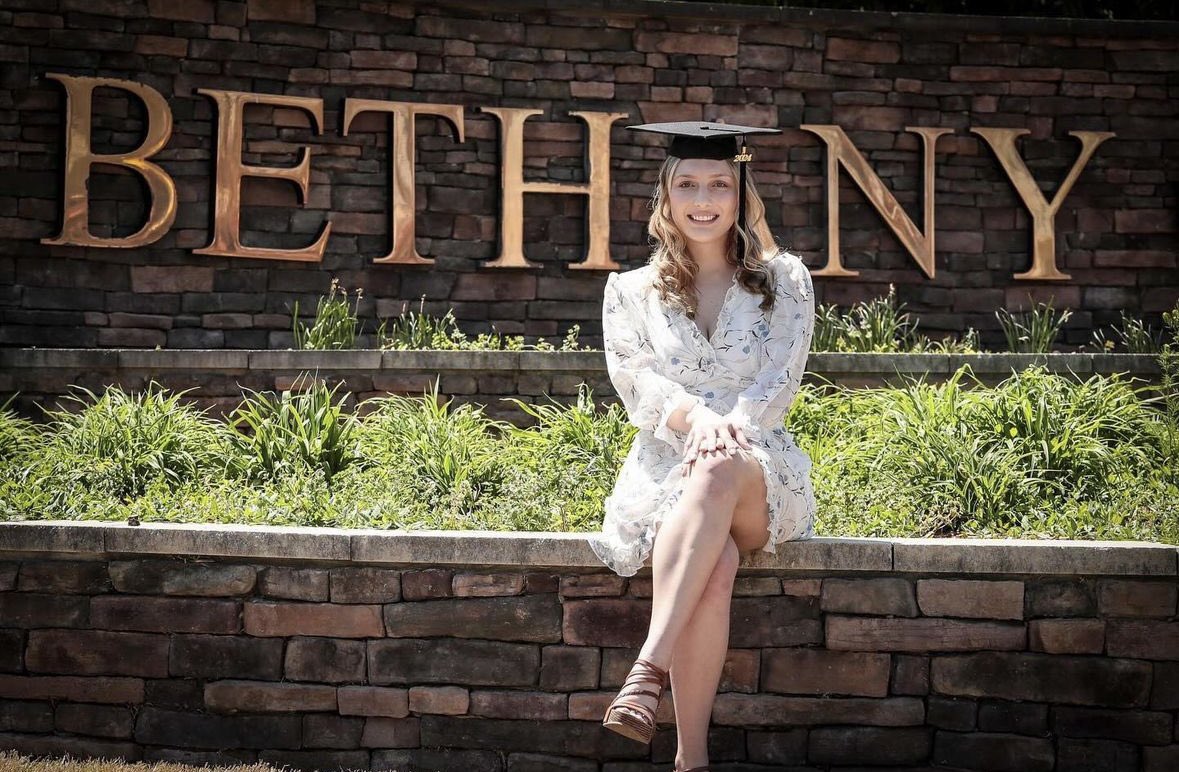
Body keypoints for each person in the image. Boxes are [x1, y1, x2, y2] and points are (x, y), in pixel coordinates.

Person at [590, 121, 817, 772]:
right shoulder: (629, 292)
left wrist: (727, 428)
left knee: (720, 467)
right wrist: (696, 420)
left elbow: (780, 378)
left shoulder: (786, 280)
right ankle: (692, 760)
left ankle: (645, 670)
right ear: (666, 195)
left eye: (718, 183)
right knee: (712, 565)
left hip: (758, 466)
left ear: (740, 195)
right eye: (687, 183)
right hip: (667, 468)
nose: (703, 198)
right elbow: (636, 380)